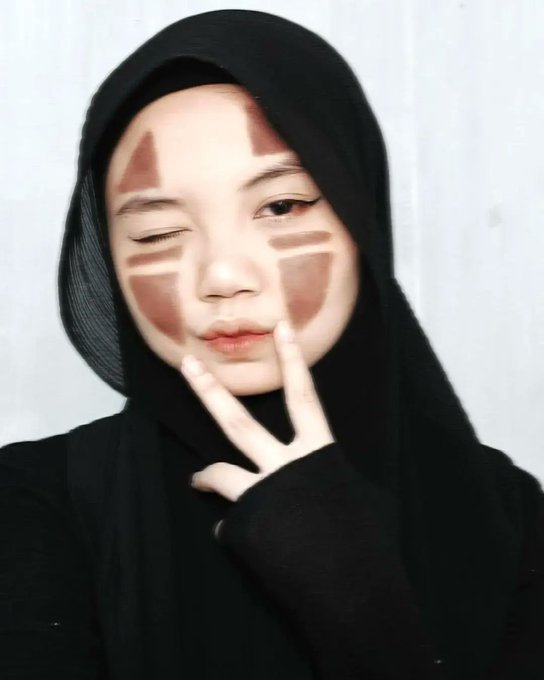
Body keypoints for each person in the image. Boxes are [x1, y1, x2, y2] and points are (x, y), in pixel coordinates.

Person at [0, 8, 542, 680]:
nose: (223, 276)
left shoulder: (510, 515)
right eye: (157, 232)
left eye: (282, 207)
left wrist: (357, 602)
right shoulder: (35, 502)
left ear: (360, 215)